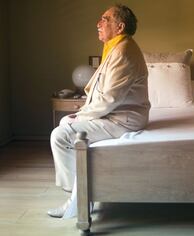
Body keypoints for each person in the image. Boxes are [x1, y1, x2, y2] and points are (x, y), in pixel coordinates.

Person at [47, 4, 150, 218]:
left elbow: (109, 99)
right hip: (114, 114)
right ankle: (81, 193)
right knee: (66, 122)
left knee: (59, 134)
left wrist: (81, 116)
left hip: (123, 119)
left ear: (119, 26)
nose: (98, 23)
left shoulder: (124, 51)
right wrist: (79, 114)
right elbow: (101, 92)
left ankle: (79, 199)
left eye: (105, 19)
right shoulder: (116, 47)